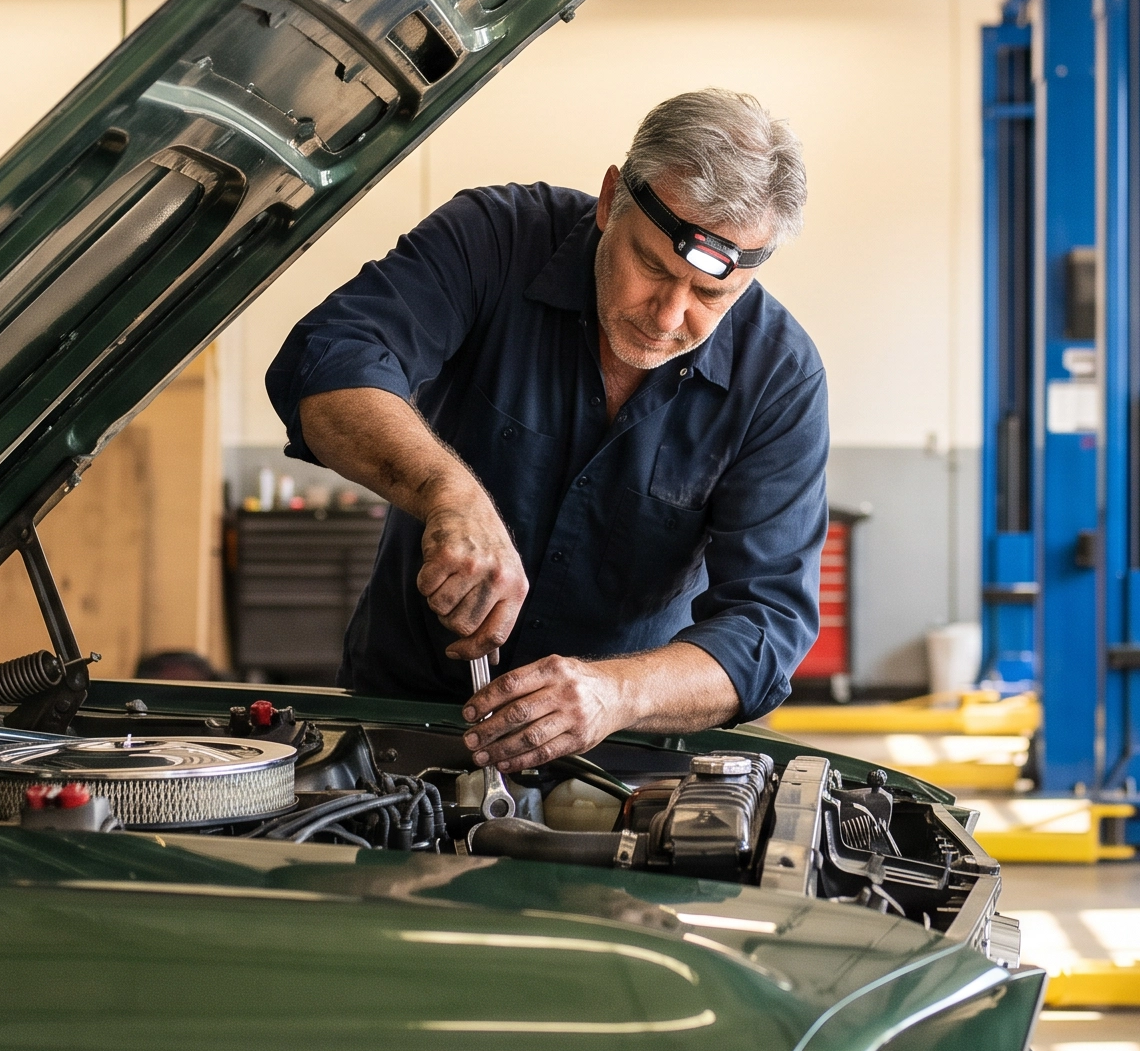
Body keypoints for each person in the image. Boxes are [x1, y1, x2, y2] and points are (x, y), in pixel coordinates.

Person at [268, 90, 828, 773]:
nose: (669, 315)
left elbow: (766, 629)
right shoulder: (494, 239)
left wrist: (615, 694)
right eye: (651, 267)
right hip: (402, 729)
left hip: (624, 766)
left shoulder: (779, 378)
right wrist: (448, 492)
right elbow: (327, 363)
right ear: (611, 198)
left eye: (711, 295)